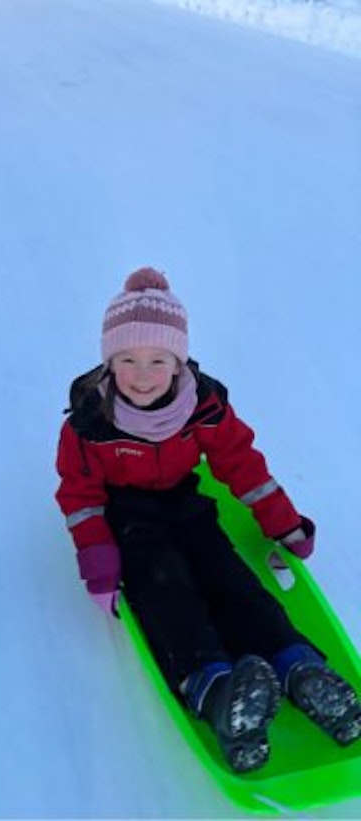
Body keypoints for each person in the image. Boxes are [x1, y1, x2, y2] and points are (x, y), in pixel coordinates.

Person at [55, 267, 361, 773]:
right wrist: (98, 560)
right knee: (165, 592)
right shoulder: (91, 420)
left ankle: (297, 668)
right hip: (128, 519)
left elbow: (241, 464)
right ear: (109, 362)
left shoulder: (205, 406)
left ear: (178, 363)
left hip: (187, 505)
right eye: (127, 360)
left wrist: (281, 522)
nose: (143, 374)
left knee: (231, 581)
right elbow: (79, 493)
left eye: (158, 360)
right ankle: (216, 690)